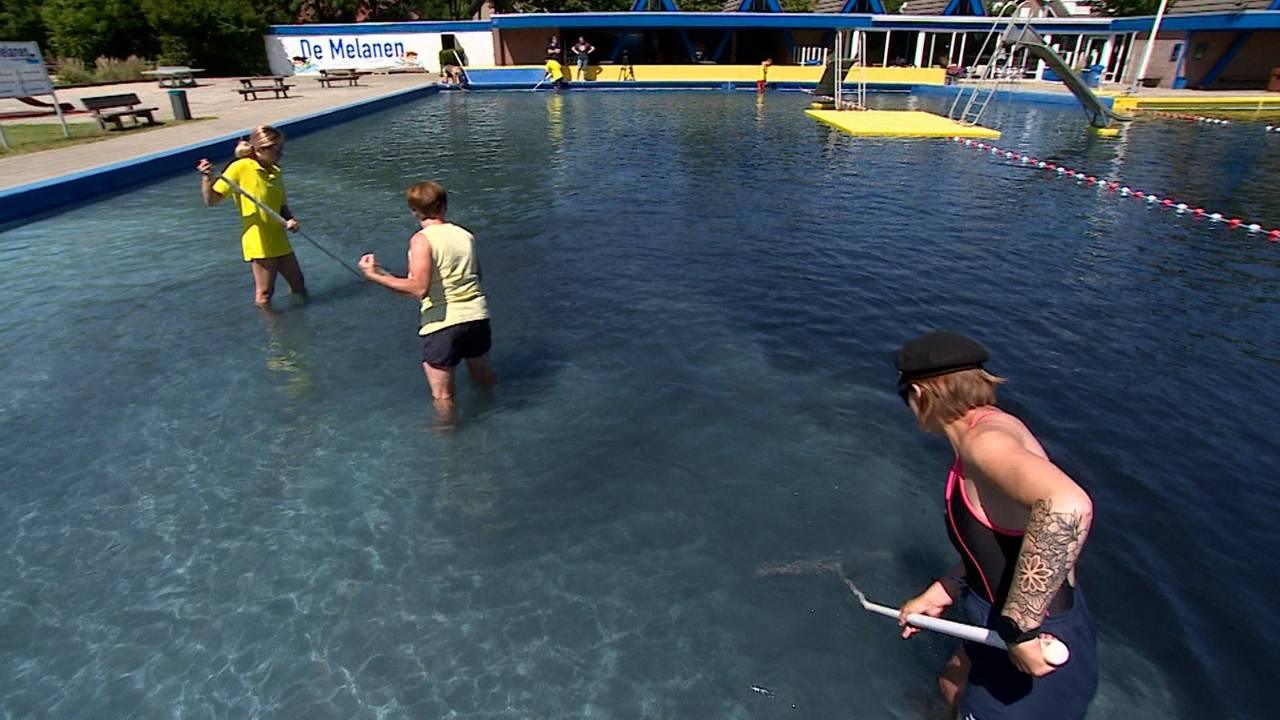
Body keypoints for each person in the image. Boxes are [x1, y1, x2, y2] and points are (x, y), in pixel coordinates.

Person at [894, 331, 1097, 719]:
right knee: (953, 680)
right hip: (1005, 626)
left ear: (919, 395)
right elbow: (1003, 543)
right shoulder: (992, 429)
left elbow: (1069, 506)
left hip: (1035, 642)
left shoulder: (984, 444)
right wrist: (943, 591)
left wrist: (1020, 627)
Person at [358, 181, 494, 418]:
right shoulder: (465, 235)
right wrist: (385, 275)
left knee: (443, 397)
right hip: (477, 318)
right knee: (484, 379)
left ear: (414, 211)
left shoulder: (421, 240)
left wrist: (374, 277)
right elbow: (477, 275)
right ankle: (497, 418)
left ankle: (448, 444)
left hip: (442, 325)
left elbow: (418, 289)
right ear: (444, 206)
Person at [196, 125, 307, 307]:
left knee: (299, 284)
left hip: (279, 237)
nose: (281, 154)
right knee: (265, 294)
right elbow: (212, 200)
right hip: (259, 241)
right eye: (278, 150)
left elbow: (281, 204)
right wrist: (207, 178)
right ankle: (273, 329)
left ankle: (303, 319)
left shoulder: (274, 170)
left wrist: (290, 219)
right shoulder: (240, 168)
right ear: (262, 149)